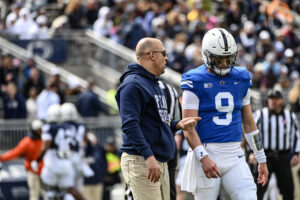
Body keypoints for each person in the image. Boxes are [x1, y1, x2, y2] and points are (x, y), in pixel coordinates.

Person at [180, 28, 269, 199]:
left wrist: (261, 158)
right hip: (206, 152)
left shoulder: (242, 77)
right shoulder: (195, 80)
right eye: (218, 59)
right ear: (206, 55)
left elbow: (249, 124)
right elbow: (188, 127)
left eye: (228, 59)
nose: (223, 64)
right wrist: (203, 157)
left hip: (235, 154)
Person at [115, 37, 200, 200]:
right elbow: (130, 126)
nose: (167, 58)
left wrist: (176, 125)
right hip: (142, 160)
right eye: (164, 53)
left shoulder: (152, 83)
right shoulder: (133, 84)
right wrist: (148, 156)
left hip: (157, 160)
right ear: (151, 55)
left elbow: (155, 124)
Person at [253, 89, 300, 200]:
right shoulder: (260, 114)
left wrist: (296, 154)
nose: (273, 101)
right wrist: (251, 152)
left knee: (288, 190)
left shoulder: (290, 116)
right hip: (265, 157)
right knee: (258, 189)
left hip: (283, 157)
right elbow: (253, 135)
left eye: (276, 99)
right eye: (271, 99)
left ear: (281, 100)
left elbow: (297, 136)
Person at [32, 104, 86, 200]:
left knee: (50, 192)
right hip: (67, 164)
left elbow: (46, 145)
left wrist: (37, 160)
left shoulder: (48, 128)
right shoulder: (69, 128)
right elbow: (73, 146)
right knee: (67, 191)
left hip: (52, 163)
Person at [0, 119, 44, 200]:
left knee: (47, 194)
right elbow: (15, 152)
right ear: (34, 131)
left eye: (41, 129)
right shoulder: (27, 142)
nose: (41, 131)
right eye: (39, 130)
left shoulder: (45, 140)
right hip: (33, 171)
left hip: (45, 171)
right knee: (34, 195)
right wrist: (2, 158)